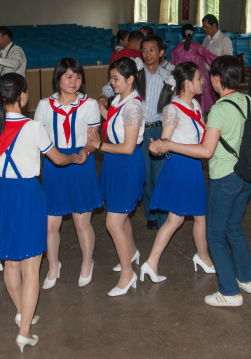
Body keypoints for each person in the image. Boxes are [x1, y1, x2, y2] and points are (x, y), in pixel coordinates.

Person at [150, 55, 251, 307]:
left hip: (226, 177)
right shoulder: (246, 100)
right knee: (234, 227)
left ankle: (229, 292)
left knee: (215, 235)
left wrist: (168, 144)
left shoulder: (219, 109)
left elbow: (206, 151)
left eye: (206, 76)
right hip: (247, 175)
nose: (204, 80)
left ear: (216, 79)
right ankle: (247, 279)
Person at [0, 73, 82, 352]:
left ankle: (22, 312)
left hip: (2, 194)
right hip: (28, 194)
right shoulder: (34, 127)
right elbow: (58, 159)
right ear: (22, 96)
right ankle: (24, 331)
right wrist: (75, 156)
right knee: (31, 267)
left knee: (11, 262)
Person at [140, 61, 214, 283]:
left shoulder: (195, 106)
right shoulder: (173, 109)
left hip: (192, 166)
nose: (203, 81)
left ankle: (200, 256)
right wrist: (157, 147)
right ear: (187, 83)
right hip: (181, 167)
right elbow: (165, 140)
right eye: (199, 78)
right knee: (179, 219)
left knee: (194, 216)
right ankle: (155, 262)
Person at [34, 58, 103, 289]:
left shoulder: (90, 104)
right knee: (50, 224)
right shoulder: (44, 105)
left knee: (81, 222)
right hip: (54, 164)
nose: (74, 81)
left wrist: (85, 150)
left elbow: (94, 140)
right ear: (58, 78)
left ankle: (87, 263)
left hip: (81, 165)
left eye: (78, 76)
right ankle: (53, 266)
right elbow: (37, 138)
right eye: (69, 76)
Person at [90, 57, 146, 297]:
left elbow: (129, 147)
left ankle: (127, 274)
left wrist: (98, 144)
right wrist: (97, 105)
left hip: (125, 162)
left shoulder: (133, 106)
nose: (111, 83)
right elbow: (111, 117)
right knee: (120, 215)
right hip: (115, 162)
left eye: (116, 78)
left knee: (113, 223)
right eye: (110, 78)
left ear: (131, 78)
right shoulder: (120, 100)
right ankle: (131, 252)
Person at [138, 34, 175, 231]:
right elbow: (112, 86)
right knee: (145, 175)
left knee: (160, 175)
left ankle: (162, 213)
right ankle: (151, 212)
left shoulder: (169, 77)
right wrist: (103, 95)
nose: (147, 54)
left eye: (151, 50)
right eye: (144, 50)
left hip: (160, 128)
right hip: (139, 130)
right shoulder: (135, 74)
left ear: (161, 52)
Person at [170, 24, 218, 112]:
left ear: (181, 34)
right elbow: (211, 58)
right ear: (193, 34)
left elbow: (172, 66)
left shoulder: (176, 49)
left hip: (183, 81)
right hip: (197, 81)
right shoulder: (197, 47)